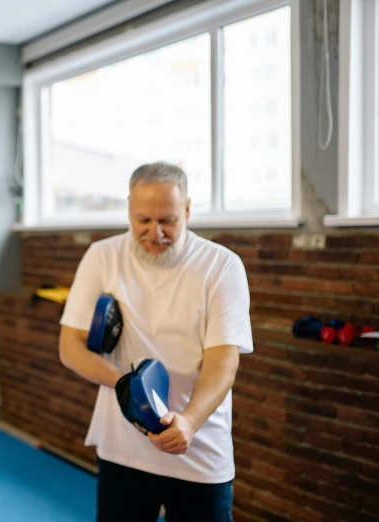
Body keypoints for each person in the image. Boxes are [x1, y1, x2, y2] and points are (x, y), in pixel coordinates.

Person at [58, 162, 252, 522]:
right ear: (129, 209)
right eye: (143, 220)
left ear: (188, 211)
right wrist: (125, 386)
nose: (155, 232)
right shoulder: (102, 256)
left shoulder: (222, 266)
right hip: (123, 448)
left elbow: (223, 361)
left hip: (198, 448)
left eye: (168, 221)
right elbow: (69, 345)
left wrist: (190, 422)